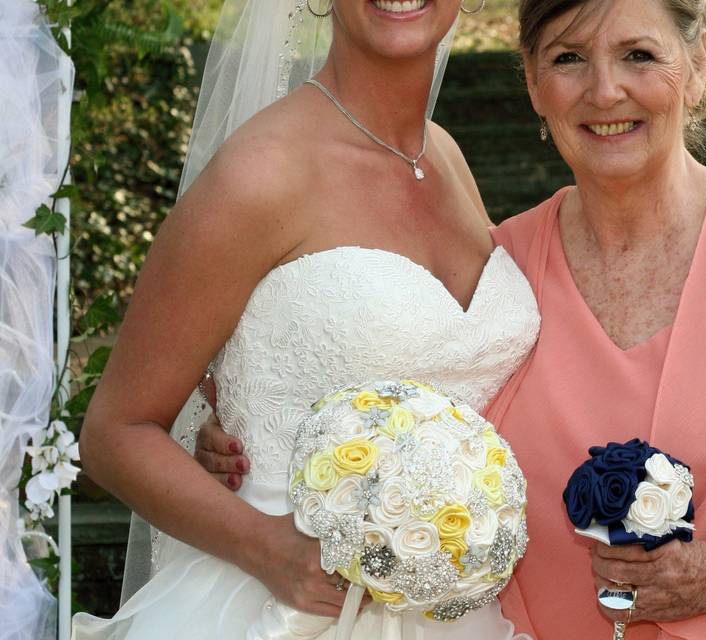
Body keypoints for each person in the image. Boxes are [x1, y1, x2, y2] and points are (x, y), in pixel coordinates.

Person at [199, 0, 706, 637]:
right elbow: (401, 424)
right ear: (531, 82)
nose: (605, 90)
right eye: (568, 59)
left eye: (638, 55)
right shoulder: (495, 274)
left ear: (695, 66)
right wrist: (251, 445)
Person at [71, 0, 540, 638]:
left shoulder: (447, 157)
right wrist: (268, 549)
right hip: (284, 611)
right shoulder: (261, 171)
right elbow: (113, 432)